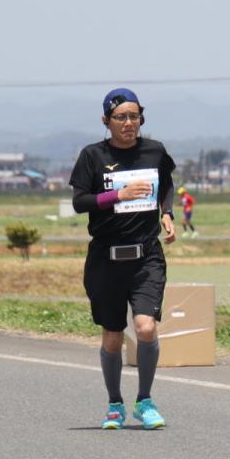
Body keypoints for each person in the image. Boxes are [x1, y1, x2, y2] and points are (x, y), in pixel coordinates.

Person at [70, 88, 177, 430]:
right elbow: (80, 201)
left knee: (146, 327)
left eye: (134, 116)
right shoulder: (92, 156)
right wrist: (118, 195)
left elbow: (167, 184)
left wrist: (167, 213)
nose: (129, 123)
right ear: (107, 121)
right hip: (106, 258)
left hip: (146, 257)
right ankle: (114, 403)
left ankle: (145, 400)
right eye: (121, 117)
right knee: (113, 336)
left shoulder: (154, 151)